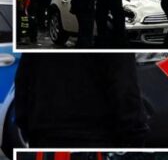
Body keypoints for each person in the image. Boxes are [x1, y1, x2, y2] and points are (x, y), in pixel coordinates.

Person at [15, 53, 149, 147]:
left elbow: (23, 83)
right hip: (97, 137)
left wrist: (28, 126)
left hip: (47, 135)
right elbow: (125, 90)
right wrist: (135, 137)